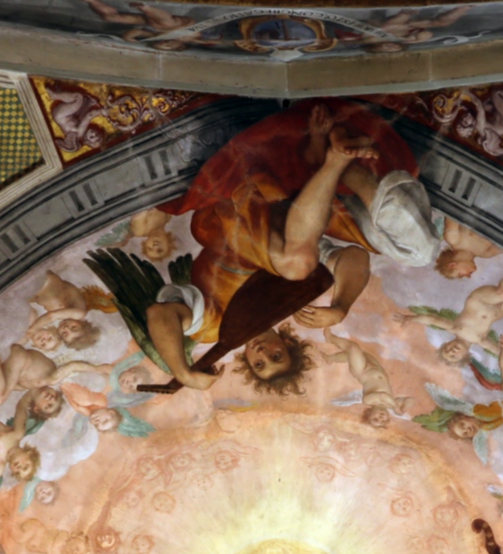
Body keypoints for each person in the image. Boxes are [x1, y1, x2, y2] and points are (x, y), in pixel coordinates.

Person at [141, 99, 450, 394]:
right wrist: (341, 306)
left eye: (259, 364)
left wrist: (182, 371)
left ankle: (332, 162)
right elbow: (352, 256)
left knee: (297, 265)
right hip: (303, 206)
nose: (263, 353)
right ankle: (344, 169)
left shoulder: (211, 326)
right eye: (277, 357)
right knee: (421, 252)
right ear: (286, 343)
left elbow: (160, 315)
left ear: (247, 361)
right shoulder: (290, 299)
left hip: (239, 208)